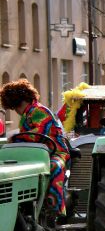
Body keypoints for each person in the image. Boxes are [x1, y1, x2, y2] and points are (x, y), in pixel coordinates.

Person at [0, 79, 71, 217]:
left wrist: (14, 138)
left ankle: (54, 208)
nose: (16, 111)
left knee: (53, 167)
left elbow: (38, 134)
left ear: (18, 102)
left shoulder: (39, 111)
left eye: (15, 107)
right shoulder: (27, 114)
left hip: (55, 152)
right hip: (36, 153)